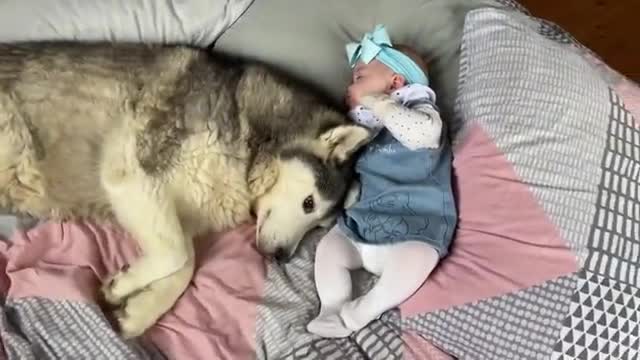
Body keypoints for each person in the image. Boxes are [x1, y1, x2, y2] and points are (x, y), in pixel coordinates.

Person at [306, 24, 457, 338]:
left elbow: (420, 136)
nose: (351, 86)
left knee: (419, 259)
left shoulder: (423, 113)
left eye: (359, 77)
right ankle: (332, 307)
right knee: (330, 248)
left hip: (416, 224)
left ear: (396, 82)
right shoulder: (366, 129)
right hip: (365, 222)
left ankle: (364, 310)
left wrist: (377, 102)